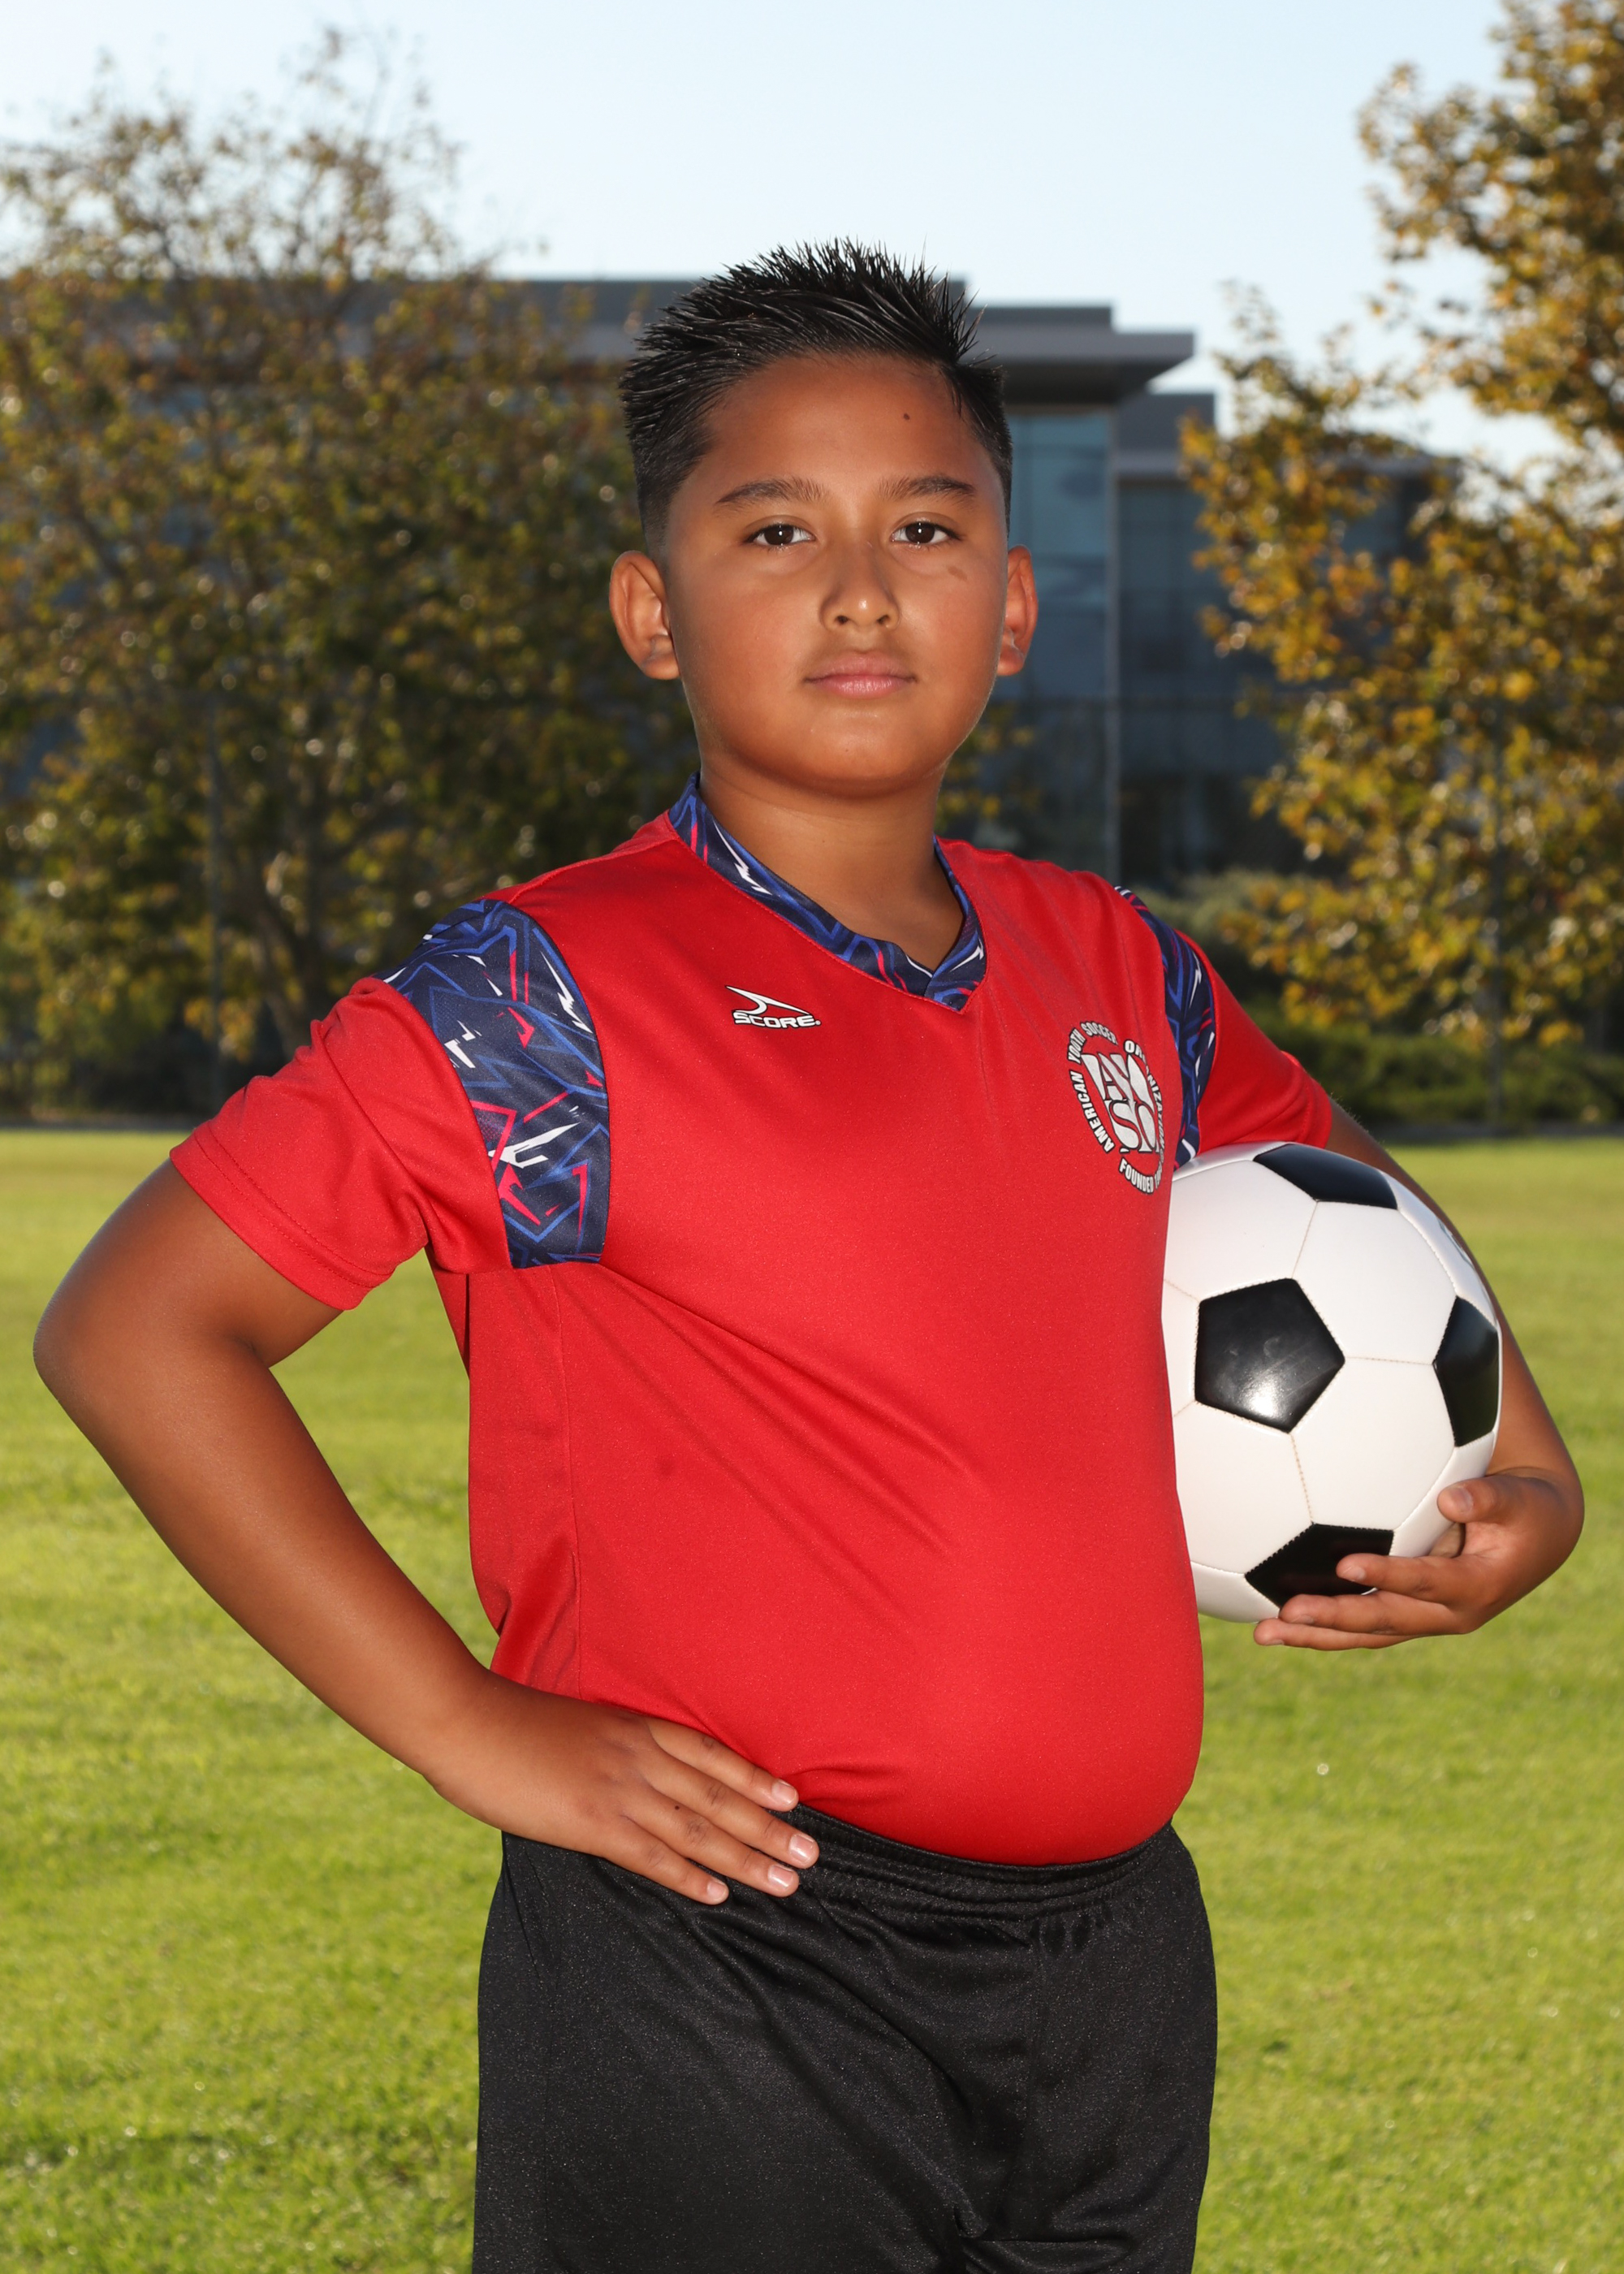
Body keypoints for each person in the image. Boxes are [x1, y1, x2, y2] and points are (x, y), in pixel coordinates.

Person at [35, 244, 1583, 2274]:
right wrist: (473, 1723)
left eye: (924, 528)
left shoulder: (1119, 967)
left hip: (1111, 1973)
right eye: (776, 529)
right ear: (650, 610)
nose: (861, 590)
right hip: (723, 1961)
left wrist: (1531, 1485)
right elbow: (139, 1328)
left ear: (1008, 604)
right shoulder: (547, 995)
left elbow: (1381, 1227)